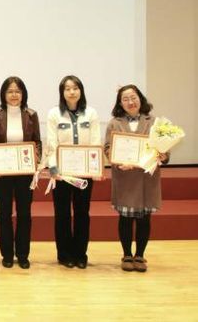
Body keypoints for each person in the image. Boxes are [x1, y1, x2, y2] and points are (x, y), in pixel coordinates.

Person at [104, 84, 168, 273]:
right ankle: (126, 254)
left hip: (146, 178)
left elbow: (163, 150)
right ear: (120, 103)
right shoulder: (114, 123)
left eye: (133, 97)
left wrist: (163, 154)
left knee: (144, 219)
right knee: (125, 218)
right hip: (124, 177)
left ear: (140, 99)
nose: (130, 102)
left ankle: (139, 254)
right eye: (125, 99)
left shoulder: (154, 122)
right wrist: (116, 159)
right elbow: (108, 148)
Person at [0, 76, 41, 269]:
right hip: (2, 173)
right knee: (4, 213)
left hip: (25, 172)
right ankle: (7, 254)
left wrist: (35, 162)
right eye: (10, 91)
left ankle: (23, 254)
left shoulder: (31, 115)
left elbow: (37, 142)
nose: (14, 95)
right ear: (3, 94)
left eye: (18, 91)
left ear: (23, 94)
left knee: (24, 213)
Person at [46, 75, 101, 269]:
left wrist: (95, 168)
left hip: (84, 172)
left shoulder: (91, 113)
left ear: (81, 91)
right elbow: (51, 143)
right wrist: (53, 168)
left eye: (75, 88)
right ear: (62, 92)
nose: (71, 92)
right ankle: (64, 254)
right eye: (67, 88)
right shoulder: (54, 114)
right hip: (61, 173)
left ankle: (80, 254)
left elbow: (95, 141)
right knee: (62, 214)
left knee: (82, 213)